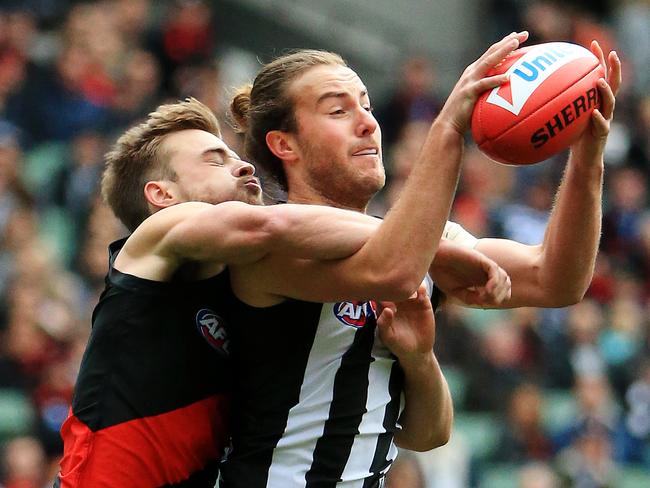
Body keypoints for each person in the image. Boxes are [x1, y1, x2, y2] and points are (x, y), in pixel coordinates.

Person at [220, 33, 621, 487]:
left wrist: (588, 156)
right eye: (338, 110)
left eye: (367, 106)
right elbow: (392, 268)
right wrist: (448, 127)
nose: (368, 123)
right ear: (284, 145)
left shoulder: (422, 248)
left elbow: (556, 281)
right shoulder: (266, 241)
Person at [54, 91, 510, 487]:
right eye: (215, 159)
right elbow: (269, 225)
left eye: (236, 156)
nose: (240, 166)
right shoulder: (160, 234)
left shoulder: (240, 283)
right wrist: (430, 245)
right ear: (162, 195)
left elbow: (425, 433)